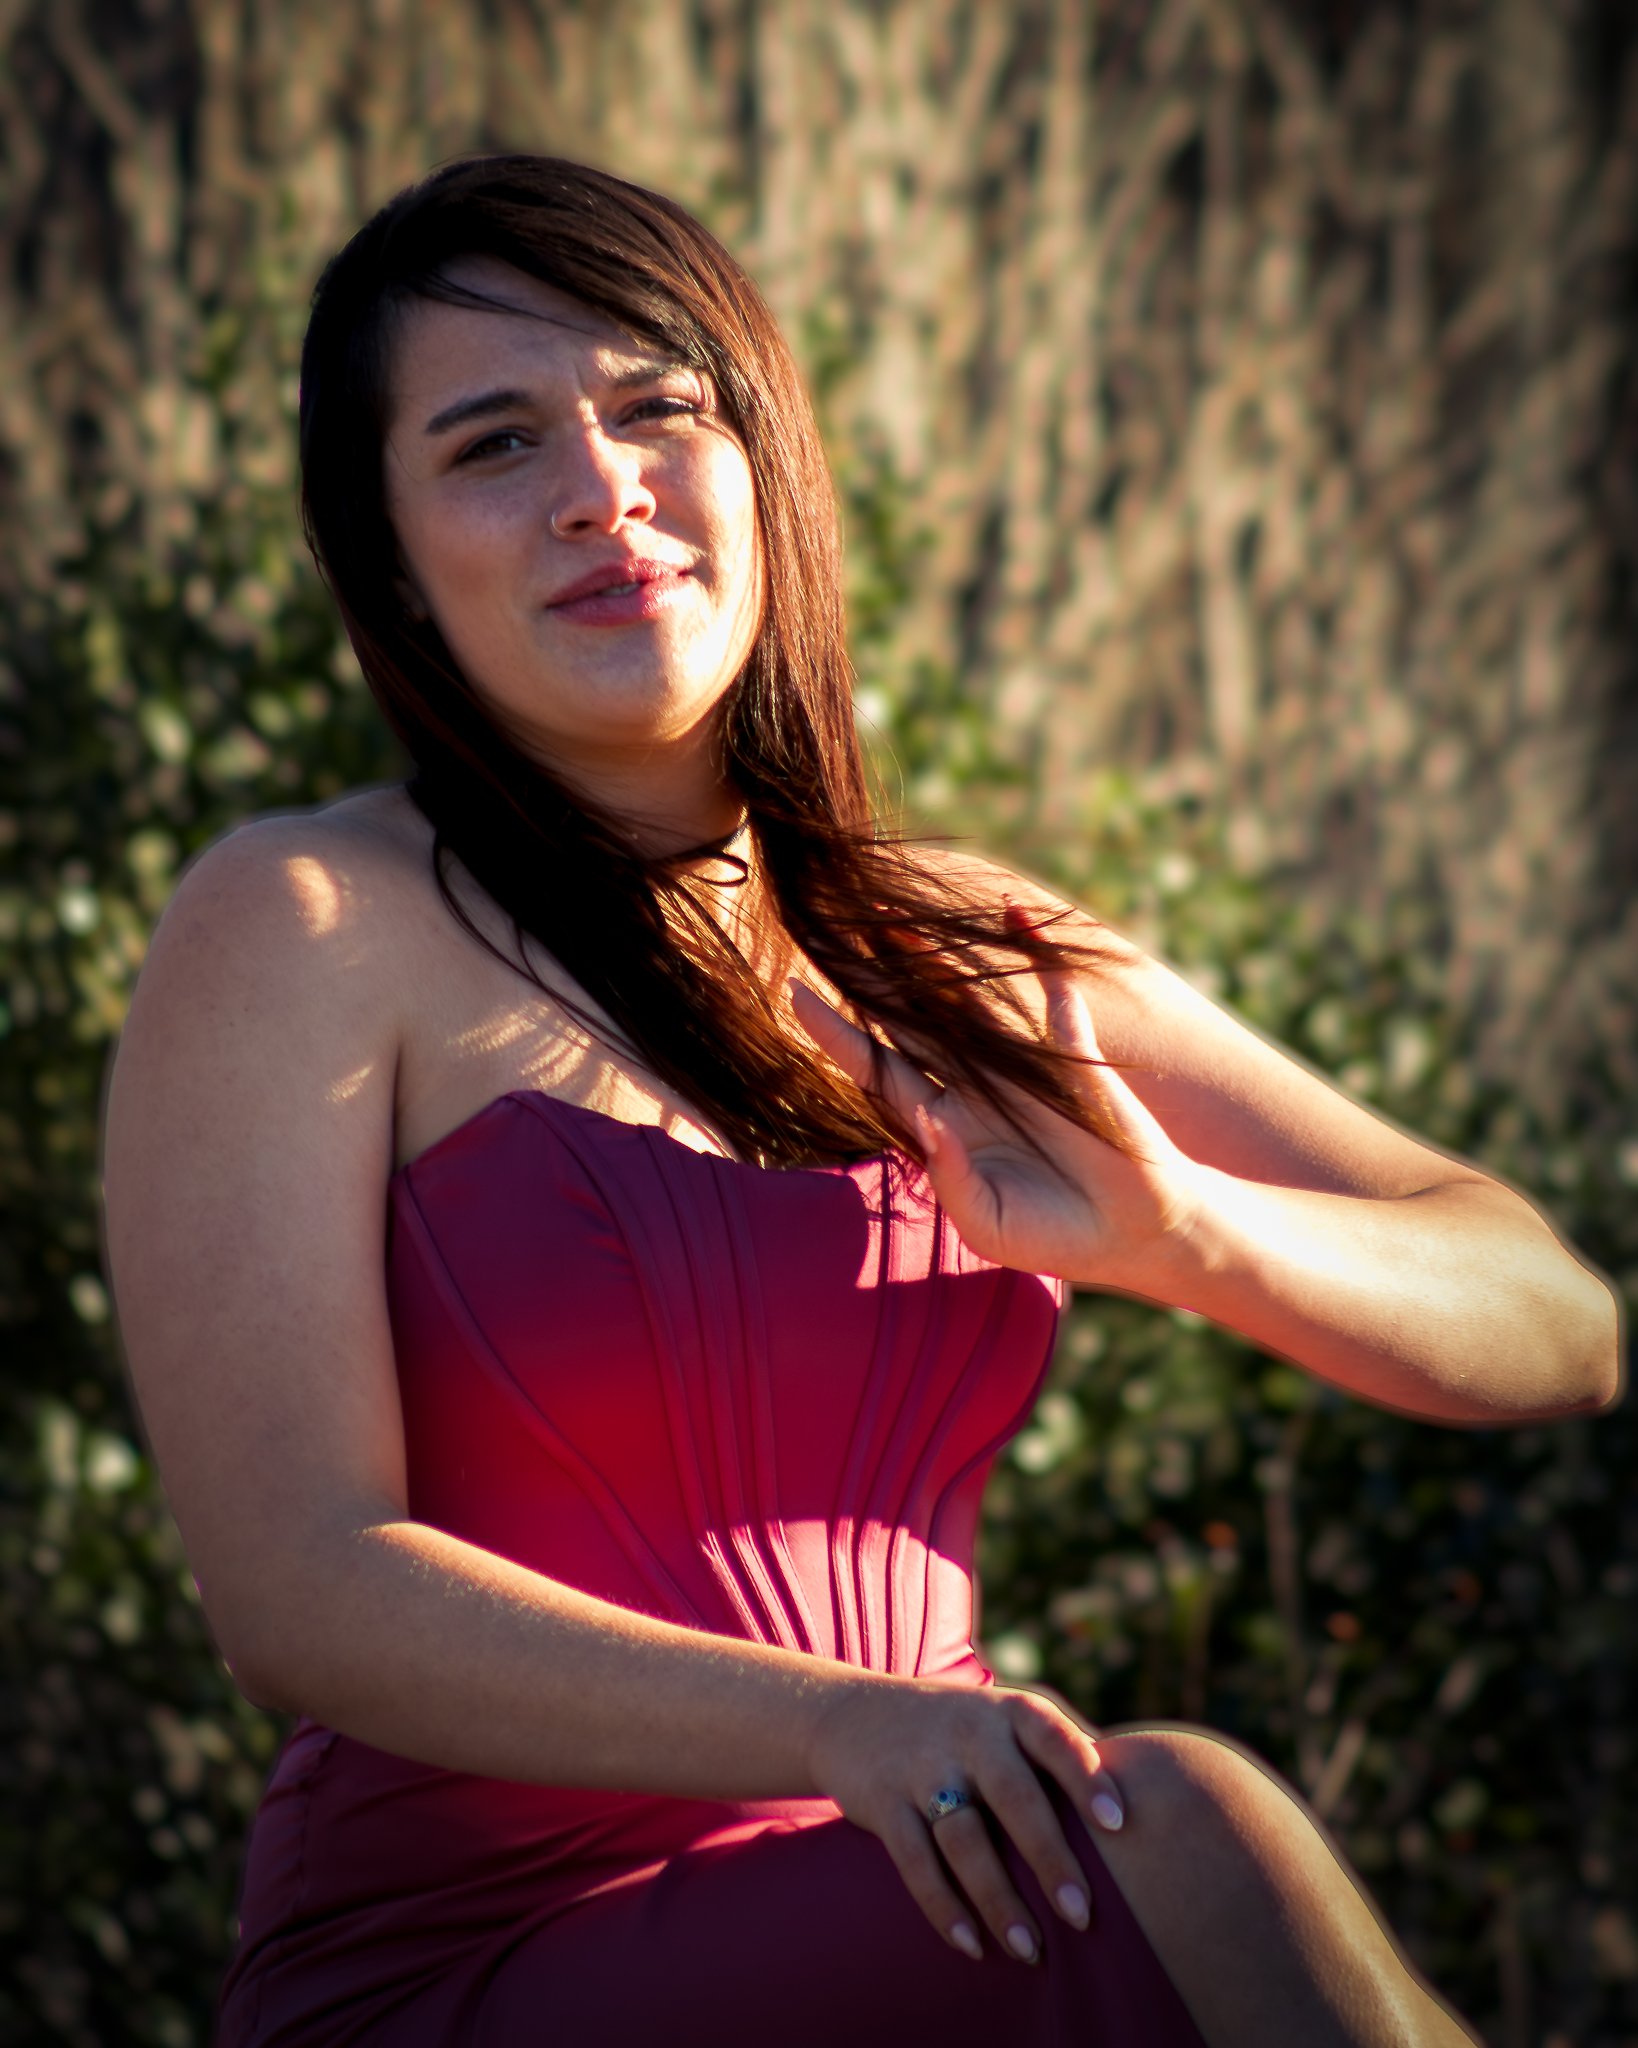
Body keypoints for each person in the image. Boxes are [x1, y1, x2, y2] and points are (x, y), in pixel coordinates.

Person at [98, 154, 1618, 2048]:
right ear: (396, 563)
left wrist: (1184, 1233)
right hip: (473, 1960)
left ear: (766, 467)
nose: (601, 486)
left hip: (936, 1881)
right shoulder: (307, 921)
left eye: (659, 405)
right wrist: (835, 1721)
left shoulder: (958, 945)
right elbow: (298, 1589)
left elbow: (1554, 1320)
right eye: (494, 445)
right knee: (1191, 1840)